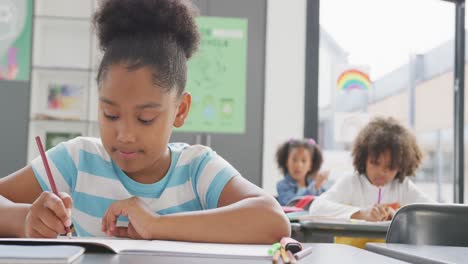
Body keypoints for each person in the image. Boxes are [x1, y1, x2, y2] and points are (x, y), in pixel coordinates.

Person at [0, 0, 289, 243]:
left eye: (145, 118)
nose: (124, 134)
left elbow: (273, 220)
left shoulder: (197, 170)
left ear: (180, 110)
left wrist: (156, 226)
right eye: (110, 114)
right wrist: (24, 219)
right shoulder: (76, 161)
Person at [309, 117, 434, 221]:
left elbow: (435, 211)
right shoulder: (351, 182)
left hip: (388, 250)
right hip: (351, 249)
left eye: (391, 167)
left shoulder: (402, 186)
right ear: (364, 158)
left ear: (401, 166)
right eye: (375, 163)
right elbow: (316, 208)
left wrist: (398, 215)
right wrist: (362, 213)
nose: (381, 172)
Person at [276, 138, 328, 206]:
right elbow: (292, 204)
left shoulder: (315, 184)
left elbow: (327, 200)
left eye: (303, 161)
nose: (298, 165)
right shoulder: (283, 185)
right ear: (286, 162)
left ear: (310, 166)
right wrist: (314, 187)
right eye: (294, 160)